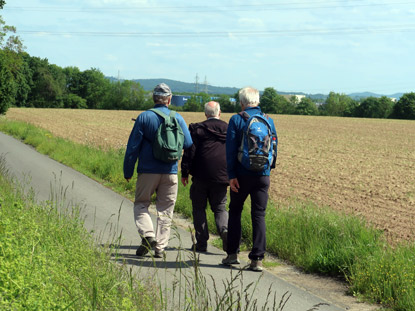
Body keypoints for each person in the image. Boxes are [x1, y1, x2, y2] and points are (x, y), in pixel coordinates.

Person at [123, 83, 193, 258]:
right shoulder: (178, 118)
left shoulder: (144, 117)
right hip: (170, 171)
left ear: (154, 98)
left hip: (147, 171)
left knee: (141, 204)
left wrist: (128, 170)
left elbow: (133, 147)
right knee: (166, 210)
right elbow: (188, 143)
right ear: (169, 100)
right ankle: (160, 248)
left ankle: (148, 235)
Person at [222, 86, 277, 272]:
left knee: (235, 211)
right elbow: (274, 148)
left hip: (241, 175)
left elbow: (229, 150)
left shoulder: (237, 119)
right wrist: (268, 169)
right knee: (259, 215)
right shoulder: (269, 120)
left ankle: (232, 255)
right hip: (263, 175)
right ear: (258, 101)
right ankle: (257, 260)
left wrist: (231, 176)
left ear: (242, 103)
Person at [181, 101, 229, 252]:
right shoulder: (229, 129)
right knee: (220, 208)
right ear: (219, 113)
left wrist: (184, 172)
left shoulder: (197, 129)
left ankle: (201, 243)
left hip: (201, 176)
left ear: (205, 114)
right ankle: (225, 233)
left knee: (199, 208)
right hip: (222, 176)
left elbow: (190, 151)